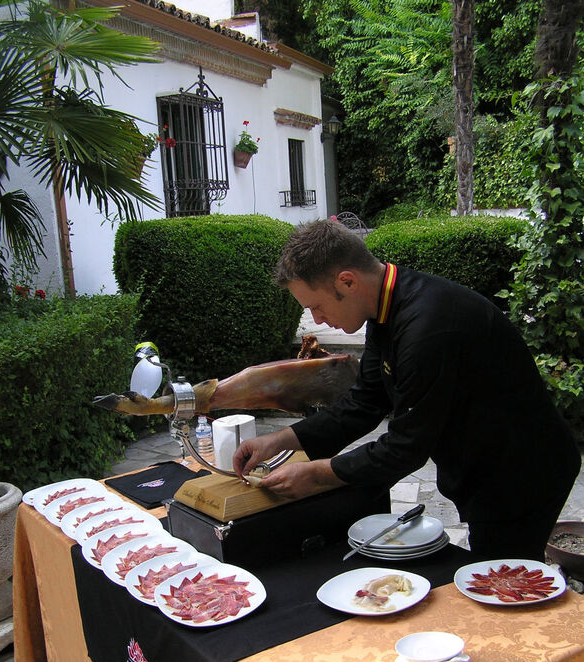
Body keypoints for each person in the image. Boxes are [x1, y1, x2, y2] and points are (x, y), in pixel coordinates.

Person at [233, 219, 581, 561]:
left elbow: (406, 448)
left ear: (347, 281)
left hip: (521, 471)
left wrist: (317, 475)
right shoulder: (384, 308)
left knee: (502, 580)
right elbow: (364, 402)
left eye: (316, 307)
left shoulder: (427, 328)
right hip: (481, 458)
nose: (318, 321)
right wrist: (280, 441)